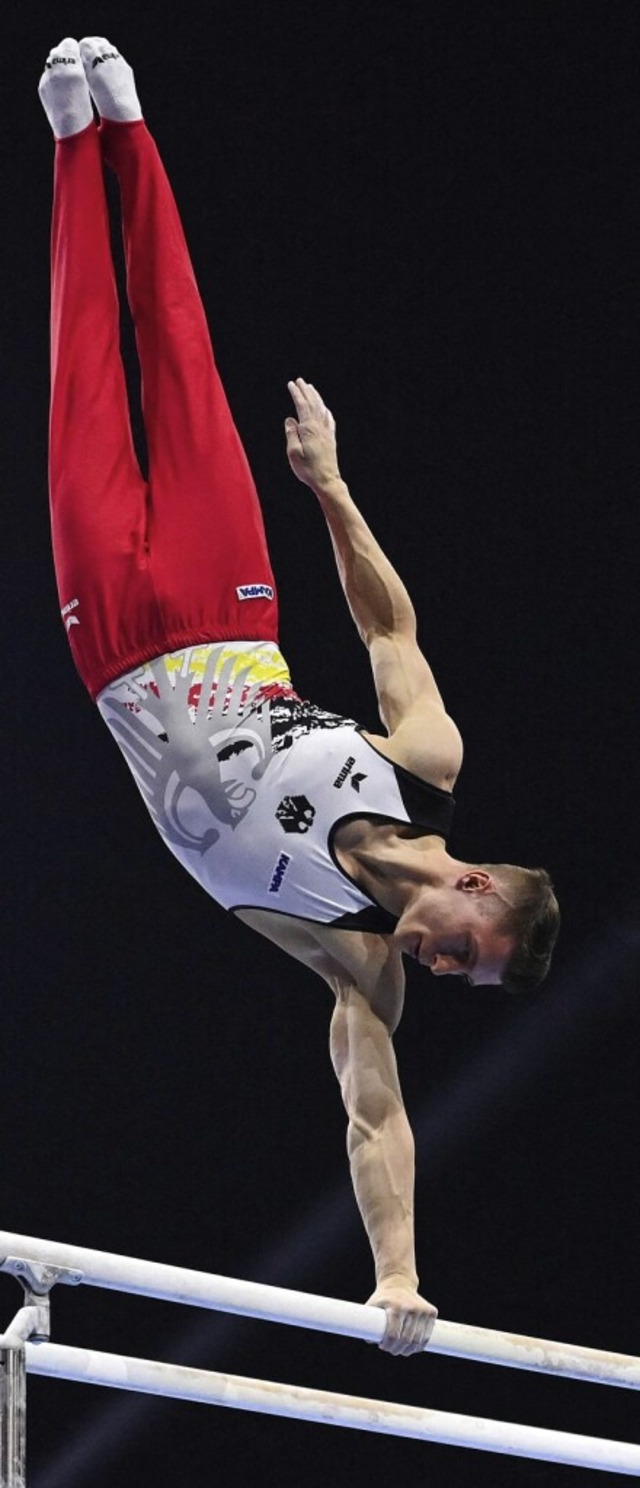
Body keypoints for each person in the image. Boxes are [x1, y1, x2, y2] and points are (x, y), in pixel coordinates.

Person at [39, 37, 560, 1358]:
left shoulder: (355, 964)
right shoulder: (422, 757)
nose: (443, 966)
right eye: (468, 949)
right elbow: (389, 622)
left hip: (120, 656)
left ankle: (65, 149)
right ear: (481, 884)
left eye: (460, 976)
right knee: (182, 351)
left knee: (88, 382)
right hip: (233, 603)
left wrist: (398, 1282)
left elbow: (376, 1119)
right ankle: (131, 132)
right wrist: (329, 485)